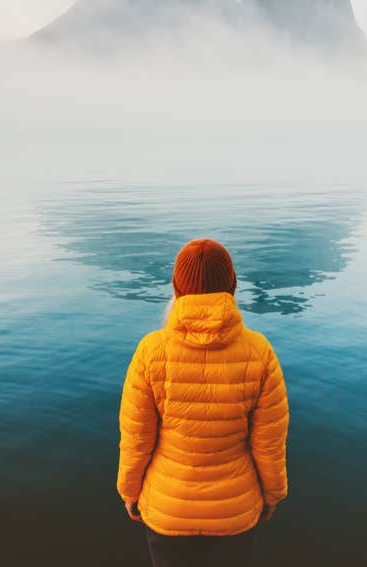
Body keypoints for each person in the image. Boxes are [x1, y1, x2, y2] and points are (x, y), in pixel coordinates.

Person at [117, 239, 290, 567]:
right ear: (233, 287)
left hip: (168, 512)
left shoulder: (151, 351)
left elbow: (136, 439)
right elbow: (269, 445)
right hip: (235, 513)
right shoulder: (259, 352)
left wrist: (129, 491)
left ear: (177, 289)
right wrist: (273, 495)